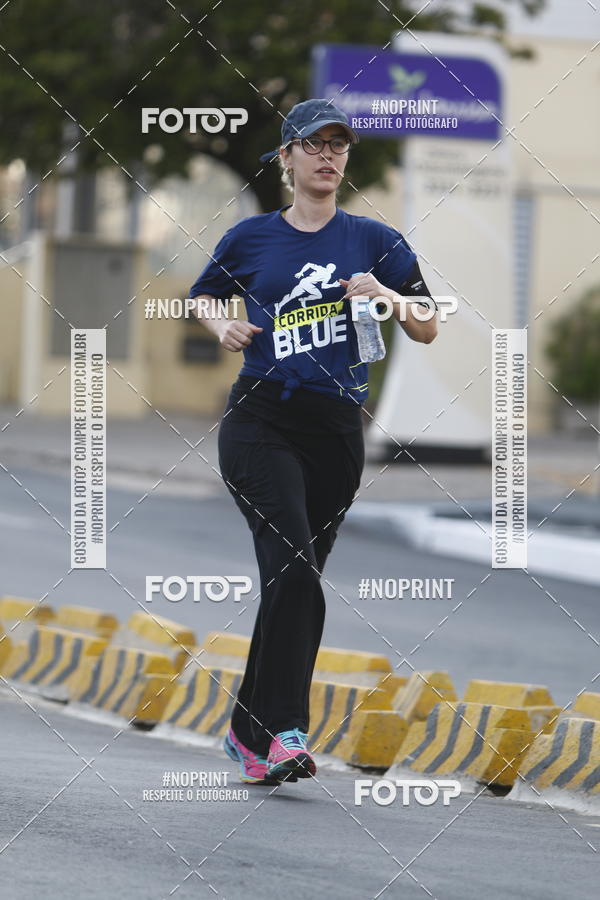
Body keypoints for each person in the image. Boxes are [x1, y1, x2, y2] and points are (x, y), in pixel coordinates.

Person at [189, 98, 438, 785]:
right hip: (261, 420)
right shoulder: (251, 238)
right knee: (293, 566)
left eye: (339, 145)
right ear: (288, 158)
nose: (328, 155)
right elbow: (204, 294)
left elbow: (427, 325)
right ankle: (286, 732)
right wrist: (222, 329)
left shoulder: (374, 240)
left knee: (292, 580)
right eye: (314, 144)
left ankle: (247, 735)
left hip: (336, 429)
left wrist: (386, 295)